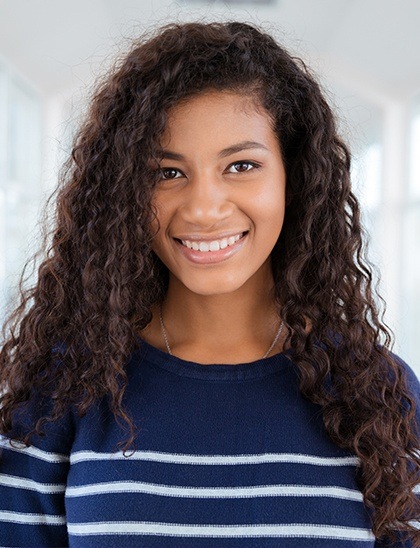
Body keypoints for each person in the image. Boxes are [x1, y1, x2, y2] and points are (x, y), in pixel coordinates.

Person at [0, 21, 419, 548]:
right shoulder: (62, 389)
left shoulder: (379, 395)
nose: (203, 208)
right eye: (167, 173)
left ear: (296, 177)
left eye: (241, 165)